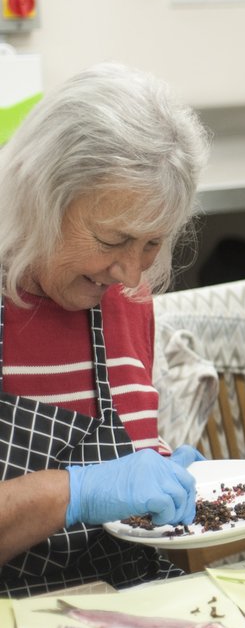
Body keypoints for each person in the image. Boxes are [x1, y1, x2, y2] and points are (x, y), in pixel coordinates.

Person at [0, 63, 210, 596]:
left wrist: (164, 475)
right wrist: (76, 492)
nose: (131, 274)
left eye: (152, 243)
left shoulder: (123, 299)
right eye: (113, 240)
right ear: (39, 197)